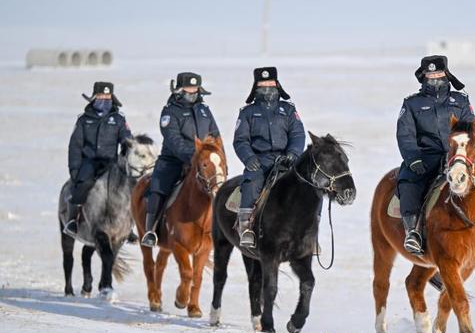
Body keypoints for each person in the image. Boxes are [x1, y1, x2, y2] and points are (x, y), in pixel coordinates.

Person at [396, 55, 475, 257]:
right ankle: (414, 232)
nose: (434, 77)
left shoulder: (460, 101)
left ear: (447, 74)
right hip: (425, 157)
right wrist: (413, 159)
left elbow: (471, 131)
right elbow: (405, 134)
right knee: (408, 185)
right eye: (430, 74)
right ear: (423, 76)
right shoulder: (412, 104)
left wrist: (467, 155)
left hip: (458, 157)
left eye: (438, 73)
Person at [141, 72, 220, 247]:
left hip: (202, 161)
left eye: (195, 88)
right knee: (158, 189)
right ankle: (151, 231)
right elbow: (173, 140)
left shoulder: (204, 110)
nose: (192, 91)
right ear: (179, 89)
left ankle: (219, 228)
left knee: (217, 185)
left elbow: (215, 135)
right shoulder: (169, 112)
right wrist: (194, 155)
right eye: (188, 88)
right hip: (174, 160)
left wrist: (217, 156)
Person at [233, 67, 306, 248]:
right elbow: (240, 140)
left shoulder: (288, 110)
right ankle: (246, 227)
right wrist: (249, 158)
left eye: (270, 83)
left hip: (286, 159)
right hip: (259, 160)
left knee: (308, 185)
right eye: (262, 84)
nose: (267, 87)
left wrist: (293, 153)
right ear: (256, 86)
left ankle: (309, 230)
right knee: (251, 183)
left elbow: (298, 135)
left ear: (277, 84)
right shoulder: (247, 112)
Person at [64, 82, 132, 237]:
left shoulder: (119, 119)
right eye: (101, 96)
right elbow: (75, 145)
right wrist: (74, 169)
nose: (104, 99)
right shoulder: (83, 120)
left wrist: (126, 152)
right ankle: (73, 220)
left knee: (127, 188)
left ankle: (129, 227)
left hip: (111, 163)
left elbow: (127, 139)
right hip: (90, 162)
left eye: (108, 96)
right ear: (94, 97)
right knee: (82, 183)